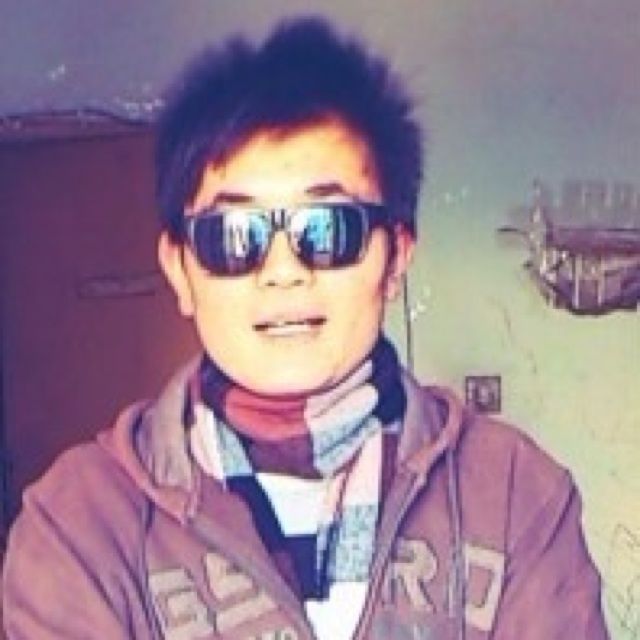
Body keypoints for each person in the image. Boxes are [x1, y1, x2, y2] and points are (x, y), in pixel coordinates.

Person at [2, 16, 608, 640]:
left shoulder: (515, 494)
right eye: (235, 236)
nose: (283, 272)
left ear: (395, 259)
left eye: (327, 230)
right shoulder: (79, 525)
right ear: (180, 270)